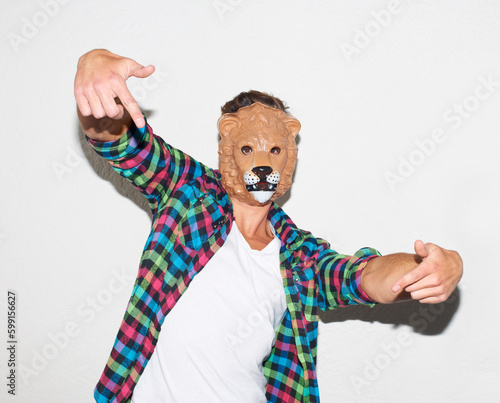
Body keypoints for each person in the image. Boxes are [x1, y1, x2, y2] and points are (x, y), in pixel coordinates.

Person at [75, 49, 463, 403]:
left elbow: (365, 277)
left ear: (289, 155)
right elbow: (125, 145)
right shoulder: (187, 192)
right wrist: (93, 70)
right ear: (226, 143)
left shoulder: (300, 255)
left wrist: (430, 267)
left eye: (274, 150)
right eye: (247, 149)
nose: (263, 161)